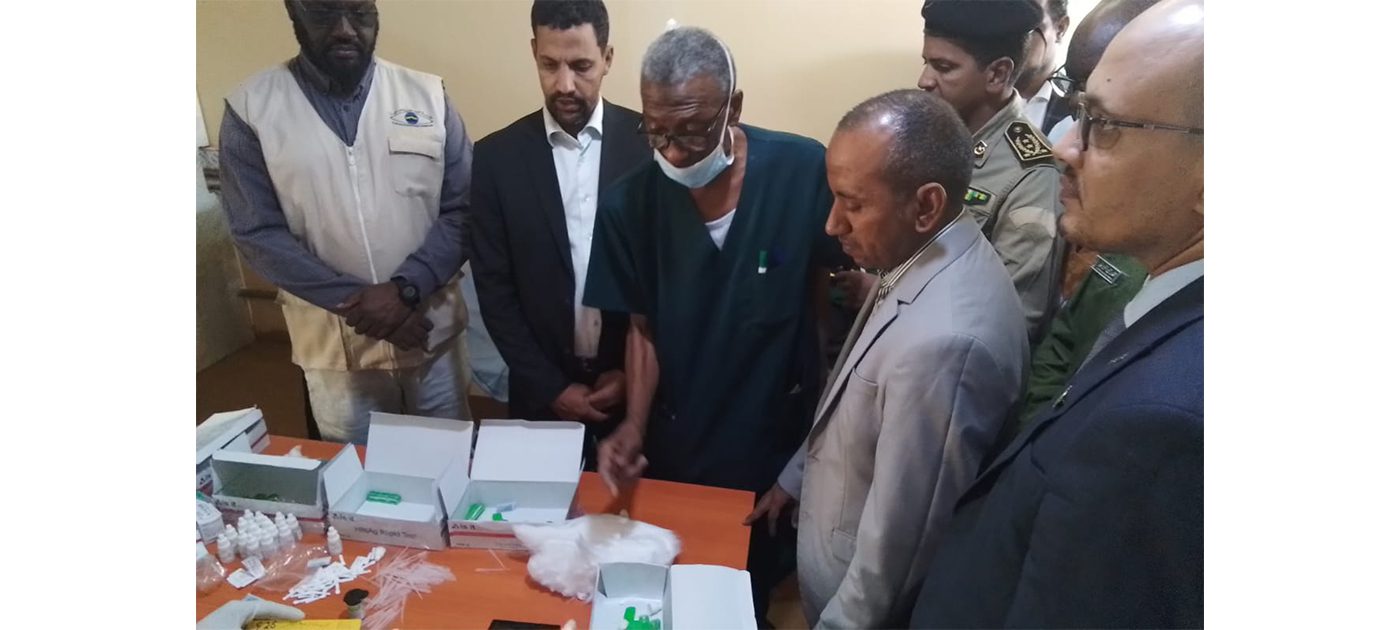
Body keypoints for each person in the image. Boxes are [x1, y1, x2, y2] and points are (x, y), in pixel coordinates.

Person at [910, 0, 1204, 626]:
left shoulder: (1166, 423)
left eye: (1105, 124)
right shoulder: (1165, 307)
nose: (1065, 147)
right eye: (1078, 111)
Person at [582, 26, 848, 624]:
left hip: (773, 437)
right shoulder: (630, 206)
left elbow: (823, 301)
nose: (675, 152)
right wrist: (633, 426)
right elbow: (642, 329)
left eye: (695, 131)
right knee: (682, 590)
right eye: (657, 132)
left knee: (750, 594)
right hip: (683, 441)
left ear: (735, 107)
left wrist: (813, 450)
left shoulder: (801, 170)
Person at [749, 90, 1028, 628]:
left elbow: (898, 555)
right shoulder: (921, 255)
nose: (832, 225)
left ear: (925, 206)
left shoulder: (946, 345)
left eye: (853, 204)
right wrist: (795, 478)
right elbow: (856, 395)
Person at [219, 0, 474, 444]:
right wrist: (363, 304)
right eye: (324, 14)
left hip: (430, 338)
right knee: (355, 476)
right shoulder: (252, 109)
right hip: (337, 356)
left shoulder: (428, 95)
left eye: (359, 13)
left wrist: (406, 289)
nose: (344, 29)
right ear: (294, 12)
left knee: (448, 462)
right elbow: (257, 232)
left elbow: (465, 208)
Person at [468, 0, 652, 466]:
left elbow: (667, 278)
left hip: (638, 394)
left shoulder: (650, 146)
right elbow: (495, 291)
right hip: (539, 395)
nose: (565, 84)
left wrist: (632, 372)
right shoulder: (495, 160)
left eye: (581, 66)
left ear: (608, 58)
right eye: (550, 65)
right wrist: (551, 387)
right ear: (534, 52)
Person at [1009, 0, 1163, 436]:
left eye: (1104, 118)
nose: (1067, 147)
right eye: (1075, 91)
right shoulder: (1065, 140)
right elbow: (1063, 336)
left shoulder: (1159, 249)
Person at [918, 0, 1063, 341]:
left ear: (997, 74)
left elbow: (1012, 320)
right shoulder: (928, 134)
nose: (924, 80)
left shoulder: (1033, 175)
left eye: (943, 67)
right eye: (926, 63)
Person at [1016, 0, 1074, 134]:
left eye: (1029, 27)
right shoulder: (977, 89)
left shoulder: (1077, 109)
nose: (1014, 39)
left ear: (1060, 28)